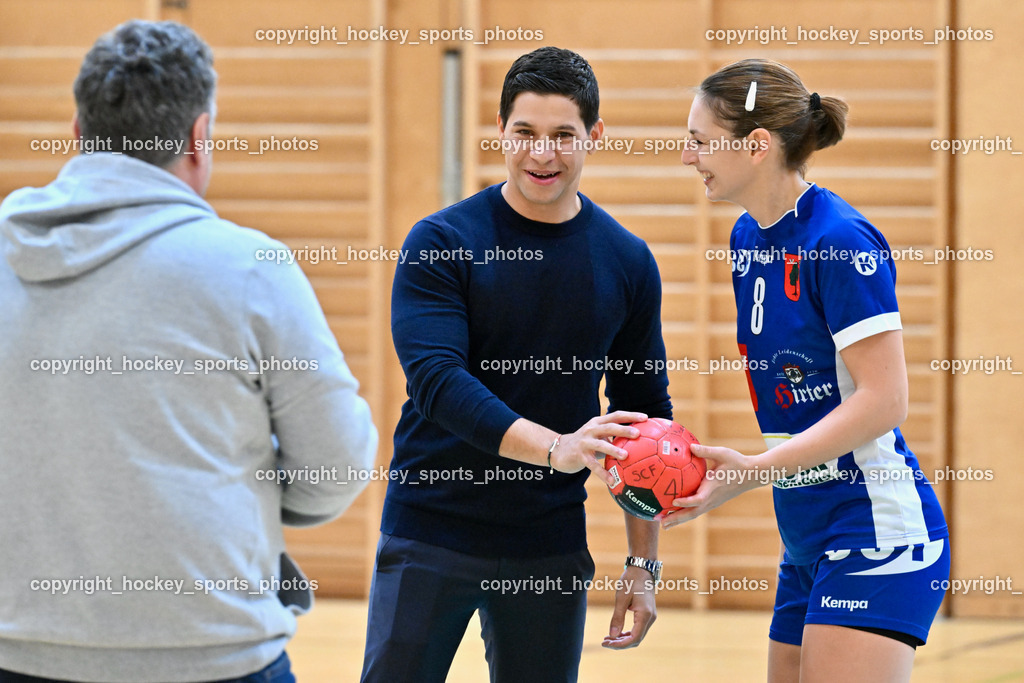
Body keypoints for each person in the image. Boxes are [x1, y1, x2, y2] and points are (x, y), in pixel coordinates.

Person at [0, 20, 377, 683]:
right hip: (218, 655)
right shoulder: (252, 267)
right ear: (200, 138)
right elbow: (338, 464)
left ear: (79, 135)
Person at [360, 46, 672, 683]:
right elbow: (440, 384)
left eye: (563, 135)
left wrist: (642, 565)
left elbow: (648, 425)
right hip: (431, 530)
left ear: (595, 137)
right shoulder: (440, 243)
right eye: (525, 133)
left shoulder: (628, 261)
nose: (542, 154)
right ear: (500, 132)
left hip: (546, 545)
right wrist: (556, 448)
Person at [664, 59, 950, 682]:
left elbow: (885, 401)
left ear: (757, 145)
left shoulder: (840, 241)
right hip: (805, 536)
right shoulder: (747, 238)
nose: (688, 157)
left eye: (700, 142)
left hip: (874, 529)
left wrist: (754, 473)